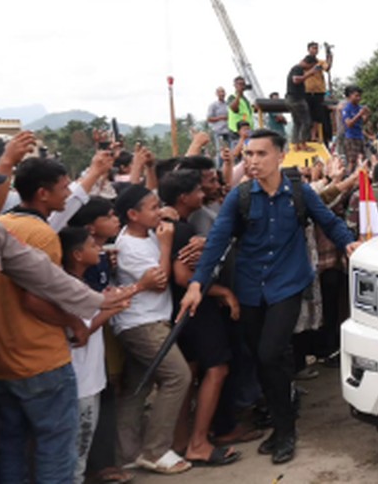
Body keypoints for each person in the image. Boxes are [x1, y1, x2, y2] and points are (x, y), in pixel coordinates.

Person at [177, 129, 360, 465]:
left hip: (287, 285)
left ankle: (286, 430)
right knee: (264, 359)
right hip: (249, 288)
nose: (253, 161)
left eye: (261, 154)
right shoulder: (240, 196)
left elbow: (329, 221)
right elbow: (217, 241)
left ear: (280, 155)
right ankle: (279, 421)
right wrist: (196, 285)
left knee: (269, 353)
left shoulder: (300, 193)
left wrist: (348, 241)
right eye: (248, 155)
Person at [0, 154, 132, 484]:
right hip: (25, 362)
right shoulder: (28, 228)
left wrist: (95, 302)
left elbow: (43, 275)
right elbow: (34, 299)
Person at [0, 157, 106, 484]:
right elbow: (34, 298)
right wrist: (75, 323)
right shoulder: (42, 233)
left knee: (11, 446)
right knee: (56, 447)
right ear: (42, 194)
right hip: (40, 359)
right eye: (63, 188)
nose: (68, 195)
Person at [158, 170, 241, 467]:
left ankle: (181, 440)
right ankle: (199, 442)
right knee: (216, 370)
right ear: (184, 197)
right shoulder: (180, 231)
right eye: (197, 190)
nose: (203, 195)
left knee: (191, 375)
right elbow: (183, 276)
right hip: (197, 312)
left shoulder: (170, 226)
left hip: (179, 313)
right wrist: (223, 293)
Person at [112, 185, 192, 476]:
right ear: (133, 215)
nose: (159, 212)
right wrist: (168, 246)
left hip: (148, 319)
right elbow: (159, 281)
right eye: (152, 208)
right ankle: (155, 450)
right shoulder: (129, 247)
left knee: (138, 386)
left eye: (159, 205)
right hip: (142, 324)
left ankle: (128, 451)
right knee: (177, 376)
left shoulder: (146, 235)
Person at [59, 227, 128, 484]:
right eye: (92, 245)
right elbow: (80, 332)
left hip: (89, 376)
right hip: (81, 379)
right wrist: (114, 307)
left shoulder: (80, 283)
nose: (99, 249)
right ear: (77, 254)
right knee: (78, 446)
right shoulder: (71, 287)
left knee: (80, 447)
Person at [286, 56, 319, 152]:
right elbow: (296, 80)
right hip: (297, 99)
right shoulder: (298, 68)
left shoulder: (295, 68)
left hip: (290, 99)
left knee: (297, 122)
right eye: (311, 66)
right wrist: (310, 74)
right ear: (309, 63)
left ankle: (296, 144)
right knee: (306, 122)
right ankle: (303, 144)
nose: (310, 69)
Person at [304, 41, 333, 143]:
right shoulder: (304, 62)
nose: (315, 50)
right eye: (313, 48)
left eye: (316, 48)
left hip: (318, 92)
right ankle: (306, 135)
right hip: (307, 91)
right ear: (309, 49)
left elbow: (327, 67)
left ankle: (314, 135)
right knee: (308, 114)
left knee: (317, 115)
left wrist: (330, 57)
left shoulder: (320, 62)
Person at [342, 85, 369, 172]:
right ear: (350, 96)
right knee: (352, 161)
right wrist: (359, 115)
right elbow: (348, 124)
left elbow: (363, 122)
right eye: (356, 96)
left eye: (360, 96)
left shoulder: (359, 107)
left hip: (360, 137)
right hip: (351, 137)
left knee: (363, 160)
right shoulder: (347, 109)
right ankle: (348, 177)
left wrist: (367, 115)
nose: (359, 98)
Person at [207, 86, 231, 155]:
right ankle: (219, 165)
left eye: (223, 92)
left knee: (229, 150)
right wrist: (221, 117)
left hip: (228, 130)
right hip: (218, 131)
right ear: (216, 94)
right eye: (220, 92)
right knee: (220, 151)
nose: (222, 94)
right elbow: (209, 119)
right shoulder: (213, 105)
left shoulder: (228, 104)